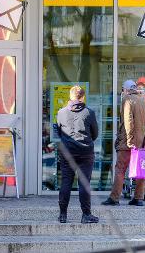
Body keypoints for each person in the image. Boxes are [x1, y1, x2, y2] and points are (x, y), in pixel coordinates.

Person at [102, 79, 145, 206]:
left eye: (123, 90)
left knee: (120, 169)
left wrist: (130, 141)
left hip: (127, 143)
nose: (122, 92)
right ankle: (139, 198)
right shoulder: (143, 102)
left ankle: (114, 198)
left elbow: (128, 121)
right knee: (140, 171)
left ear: (126, 89)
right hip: (141, 143)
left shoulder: (127, 100)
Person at [56, 85, 99, 224]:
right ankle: (86, 215)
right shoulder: (89, 113)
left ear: (71, 96)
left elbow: (58, 131)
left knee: (66, 182)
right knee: (84, 184)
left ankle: (63, 215)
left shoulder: (61, 113)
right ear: (82, 97)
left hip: (67, 152)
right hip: (85, 153)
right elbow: (95, 134)